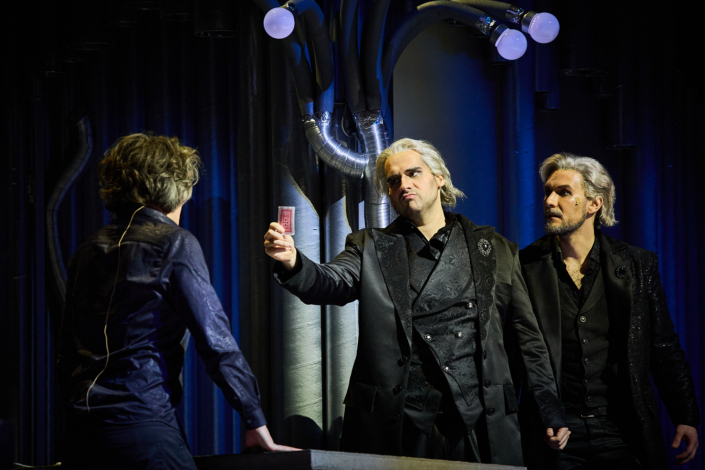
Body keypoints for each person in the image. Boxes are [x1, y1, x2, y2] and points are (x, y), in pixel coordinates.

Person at [263, 138, 569, 465]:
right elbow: (330, 281)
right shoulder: (371, 246)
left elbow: (528, 339)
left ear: (439, 178)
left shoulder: (494, 248)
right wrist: (293, 262)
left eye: (413, 173)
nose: (403, 184)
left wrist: (549, 410)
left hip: (478, 421)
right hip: (401, 423)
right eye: (394, 180)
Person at [58, 134, 293, 470]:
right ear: (174, 189)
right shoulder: (174, 242)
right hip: (142, 424)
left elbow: (67, 350)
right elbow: (216, 342)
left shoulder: (86, 249)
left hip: (80, 432)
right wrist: (254, 420)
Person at [515, 152, 700, 469]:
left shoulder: (637, 264)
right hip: (558, 433)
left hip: (621, 430)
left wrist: (685, 415)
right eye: (547, 192)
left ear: (594, 204)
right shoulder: (525, 265)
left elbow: (663, 346)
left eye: (563, 192)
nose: (549, 201)